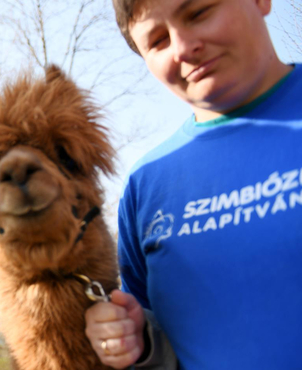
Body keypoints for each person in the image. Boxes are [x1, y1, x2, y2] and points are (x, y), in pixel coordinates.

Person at [84, 0, 301, 368]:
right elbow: (162, 338)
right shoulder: (146, 186)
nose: (183, 47)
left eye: (199, 12)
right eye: (157, 41)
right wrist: (137, 340)